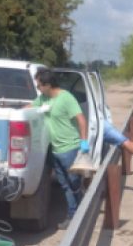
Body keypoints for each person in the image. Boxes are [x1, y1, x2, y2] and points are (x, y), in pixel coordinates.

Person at [31, 69, 90, 229]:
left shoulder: (66, 98)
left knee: (74, 182)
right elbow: (30, 107)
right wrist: (12, 112)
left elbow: (81, 119)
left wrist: (84, 142)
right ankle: (73, 215)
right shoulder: (44, 98)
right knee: (64, 184)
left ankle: (81, 210)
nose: (38, 89)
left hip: (69, 148)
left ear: (48, 85)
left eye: (39, 85)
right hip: (54, 149)